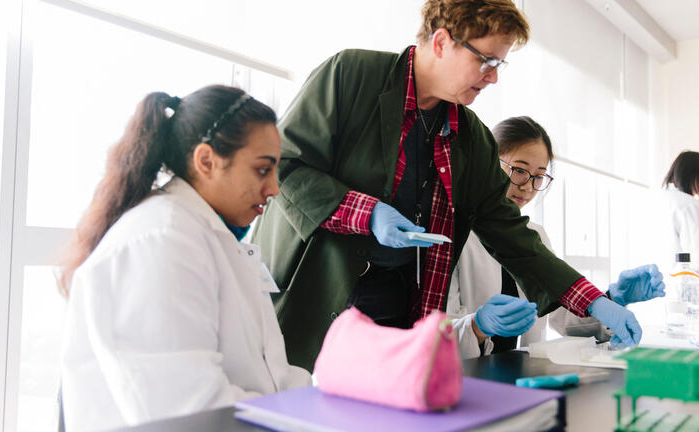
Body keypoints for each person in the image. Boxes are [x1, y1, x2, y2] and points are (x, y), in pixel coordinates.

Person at [252, 0, 641, 370]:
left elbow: (513, 237)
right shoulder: (350, 75)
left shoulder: (471, 137)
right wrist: (367, 213)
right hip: (317, 296)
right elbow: (284, 164)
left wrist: (593, 301)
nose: (492, 77)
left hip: (399, 314)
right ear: (441, 42)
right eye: (485, 61)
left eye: (499, 64)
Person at [58, 85, 311, 430]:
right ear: (206, 161)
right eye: (262, 170)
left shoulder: (208, 236)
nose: (275, 189)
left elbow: (270, 373)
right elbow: (187, 412)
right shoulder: (162, 240)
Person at [447, 116, 666, 358]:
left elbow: (562, 317)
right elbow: (431, 336)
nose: (528, 186)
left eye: (539, 176)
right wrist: (478, 327)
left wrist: (611, 300)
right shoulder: (457, 233)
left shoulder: (536, 235)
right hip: (465, 380)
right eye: (519, 170)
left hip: (524, 376)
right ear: (488, 164)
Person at [661, 150, 699, 270]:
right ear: (691, 176)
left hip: (656, 283)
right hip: (683, 282)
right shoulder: (689, 204)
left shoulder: (660, 198)